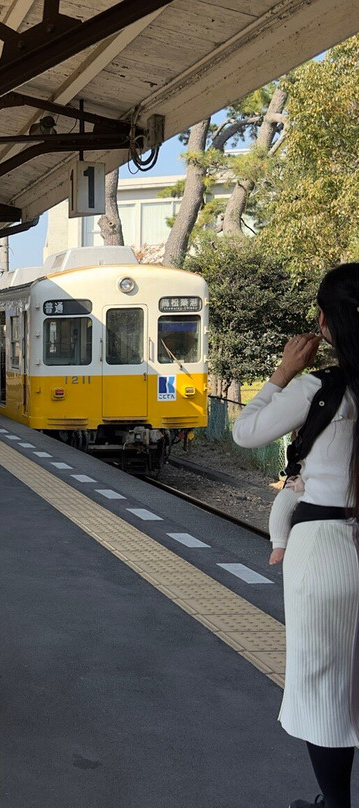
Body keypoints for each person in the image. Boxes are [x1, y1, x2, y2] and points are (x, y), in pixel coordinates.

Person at [233, 262, 359, 808]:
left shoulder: (320, 388)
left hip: (324, 549)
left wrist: (284, 370)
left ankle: (335, 805)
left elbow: (245, 432)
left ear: (327, 322)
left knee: (324, 686)